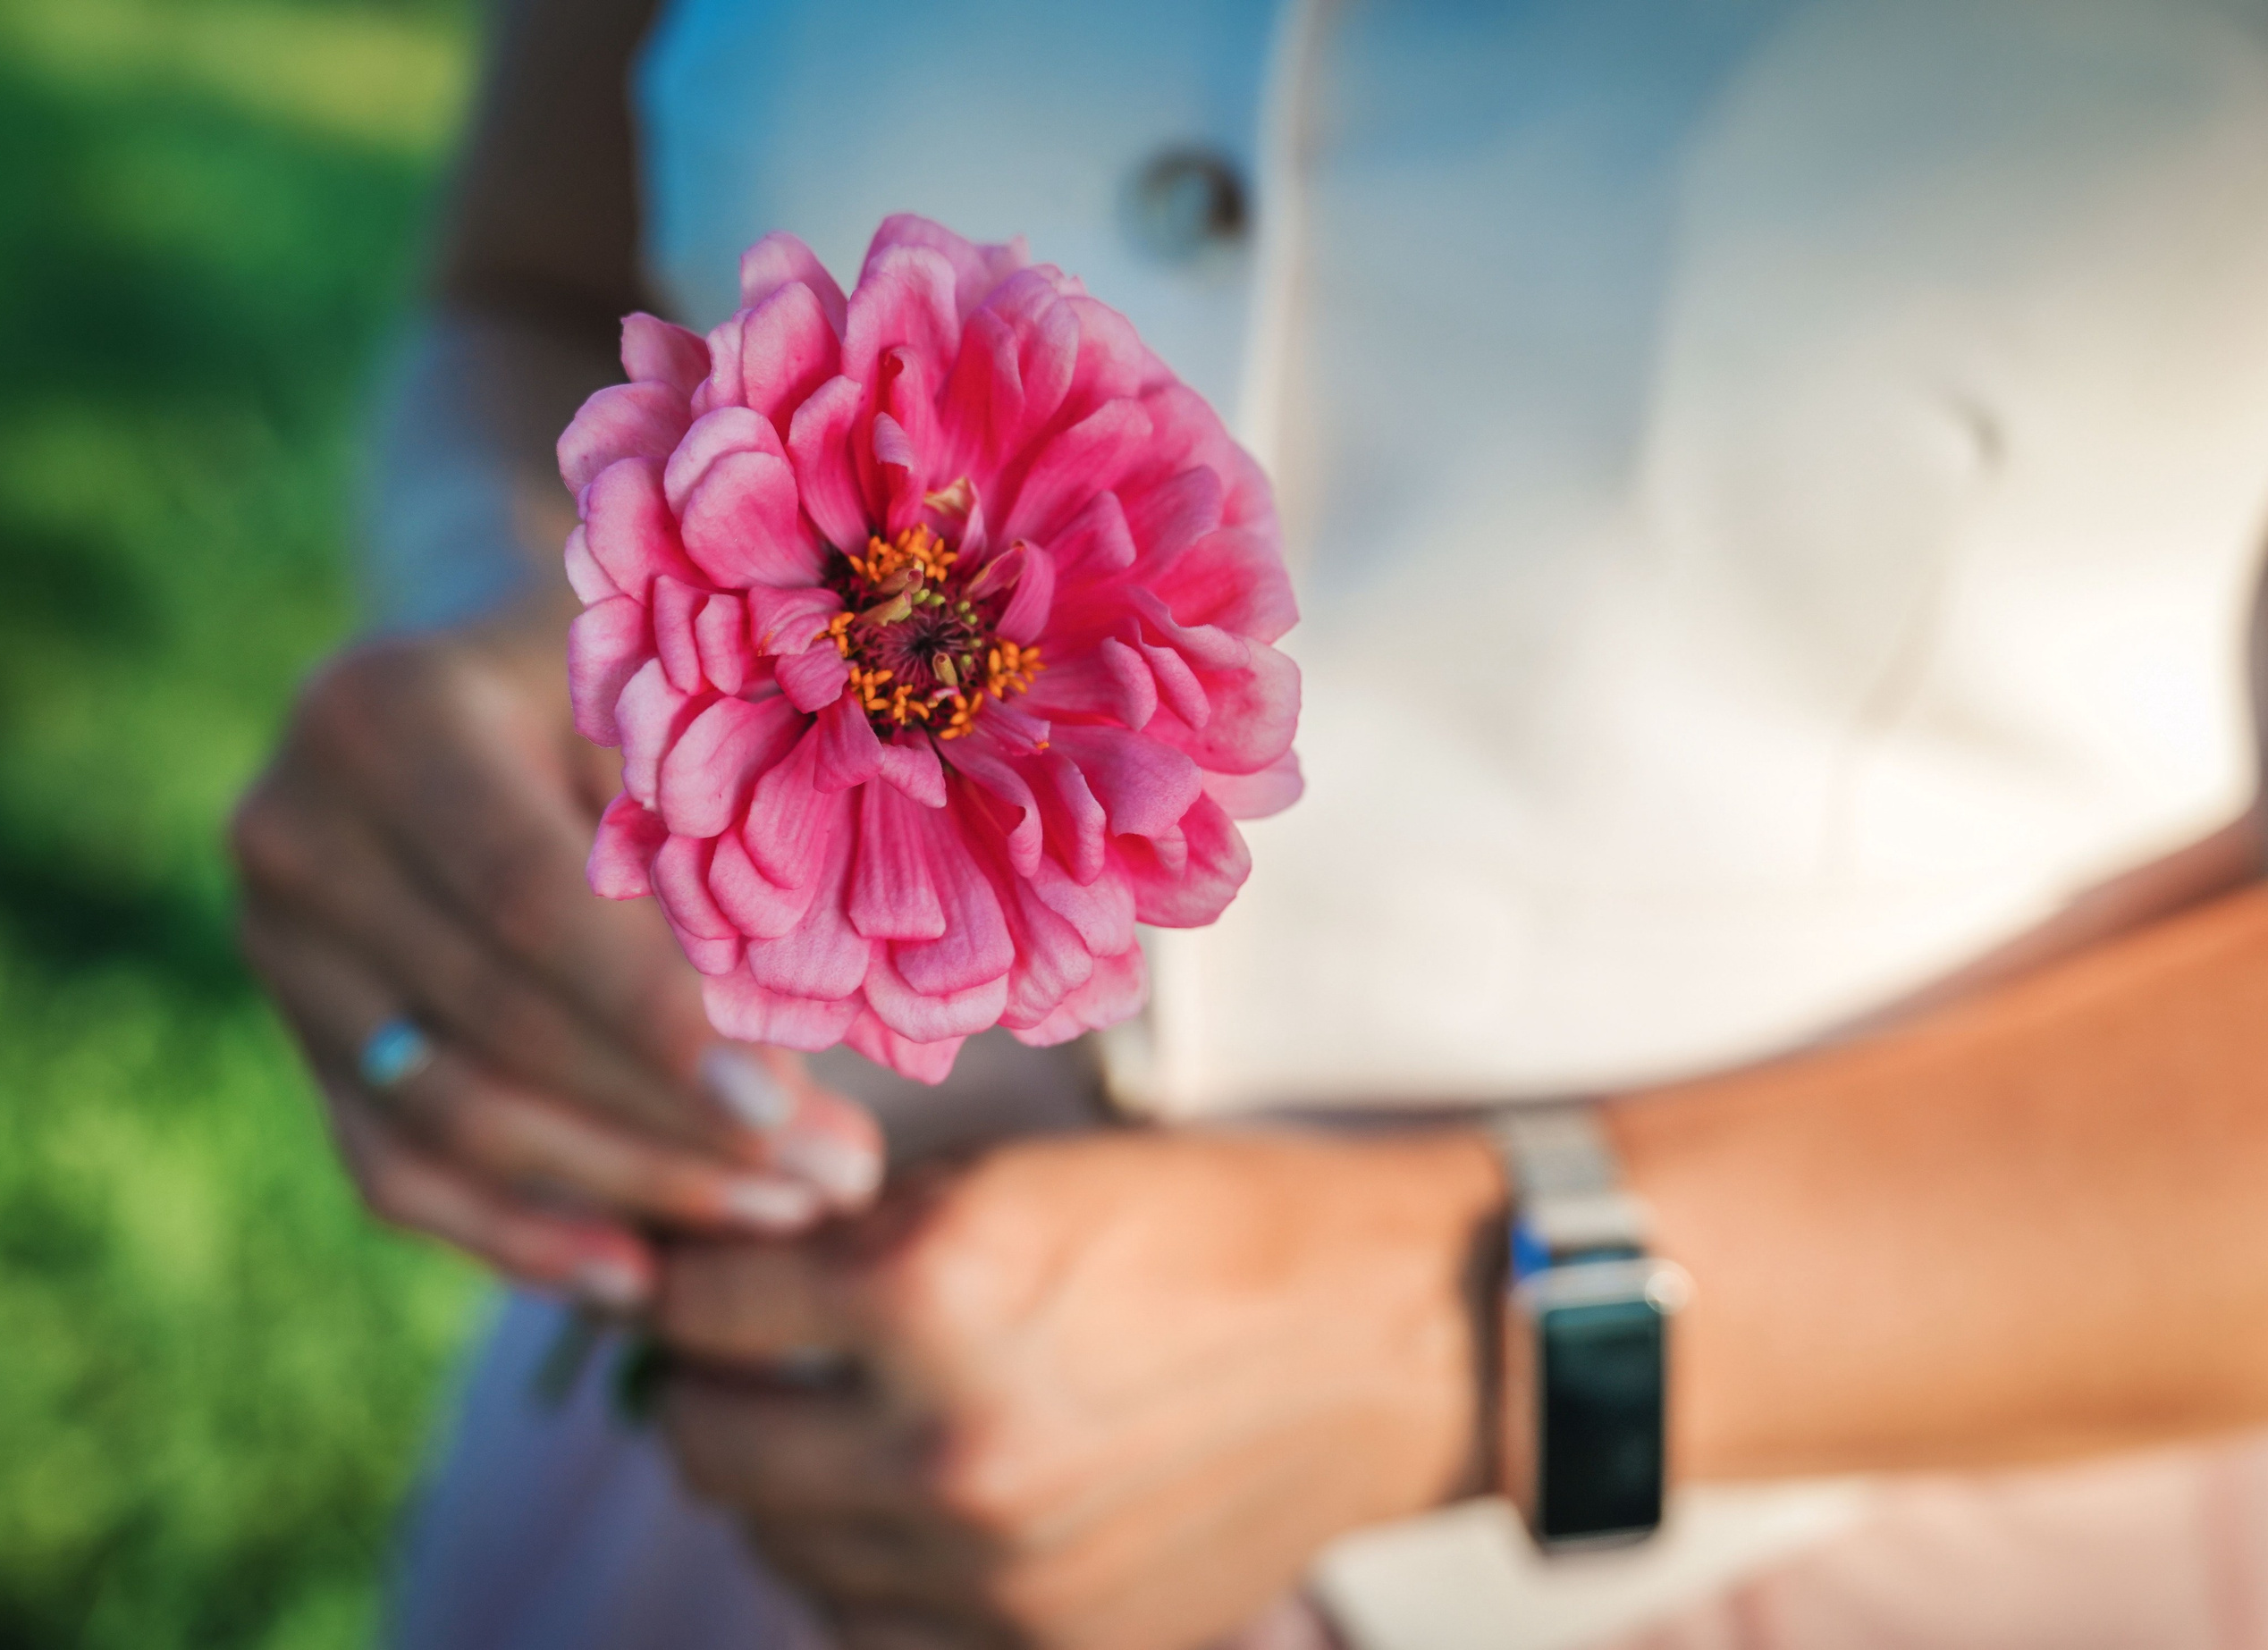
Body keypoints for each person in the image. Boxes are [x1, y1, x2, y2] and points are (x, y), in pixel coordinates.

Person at [231, 0, 2268, 1645]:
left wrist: (1441, 1330)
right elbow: (525, 291)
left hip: (1879, 1533)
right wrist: (491, 619)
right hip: (731, 1483)